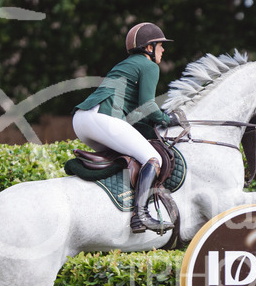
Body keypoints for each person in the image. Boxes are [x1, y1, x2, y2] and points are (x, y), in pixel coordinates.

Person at [72, 22, 177, 234]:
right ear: (149, 48)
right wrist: (168, 119)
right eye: (160, 45)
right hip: (101, 120)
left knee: (128, 158)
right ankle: (140, 216)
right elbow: (148, 105)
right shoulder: (149, 66)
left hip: (81, 120)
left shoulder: (127, 64)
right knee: (152, 159)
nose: (163, 50)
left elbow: (135, 114)